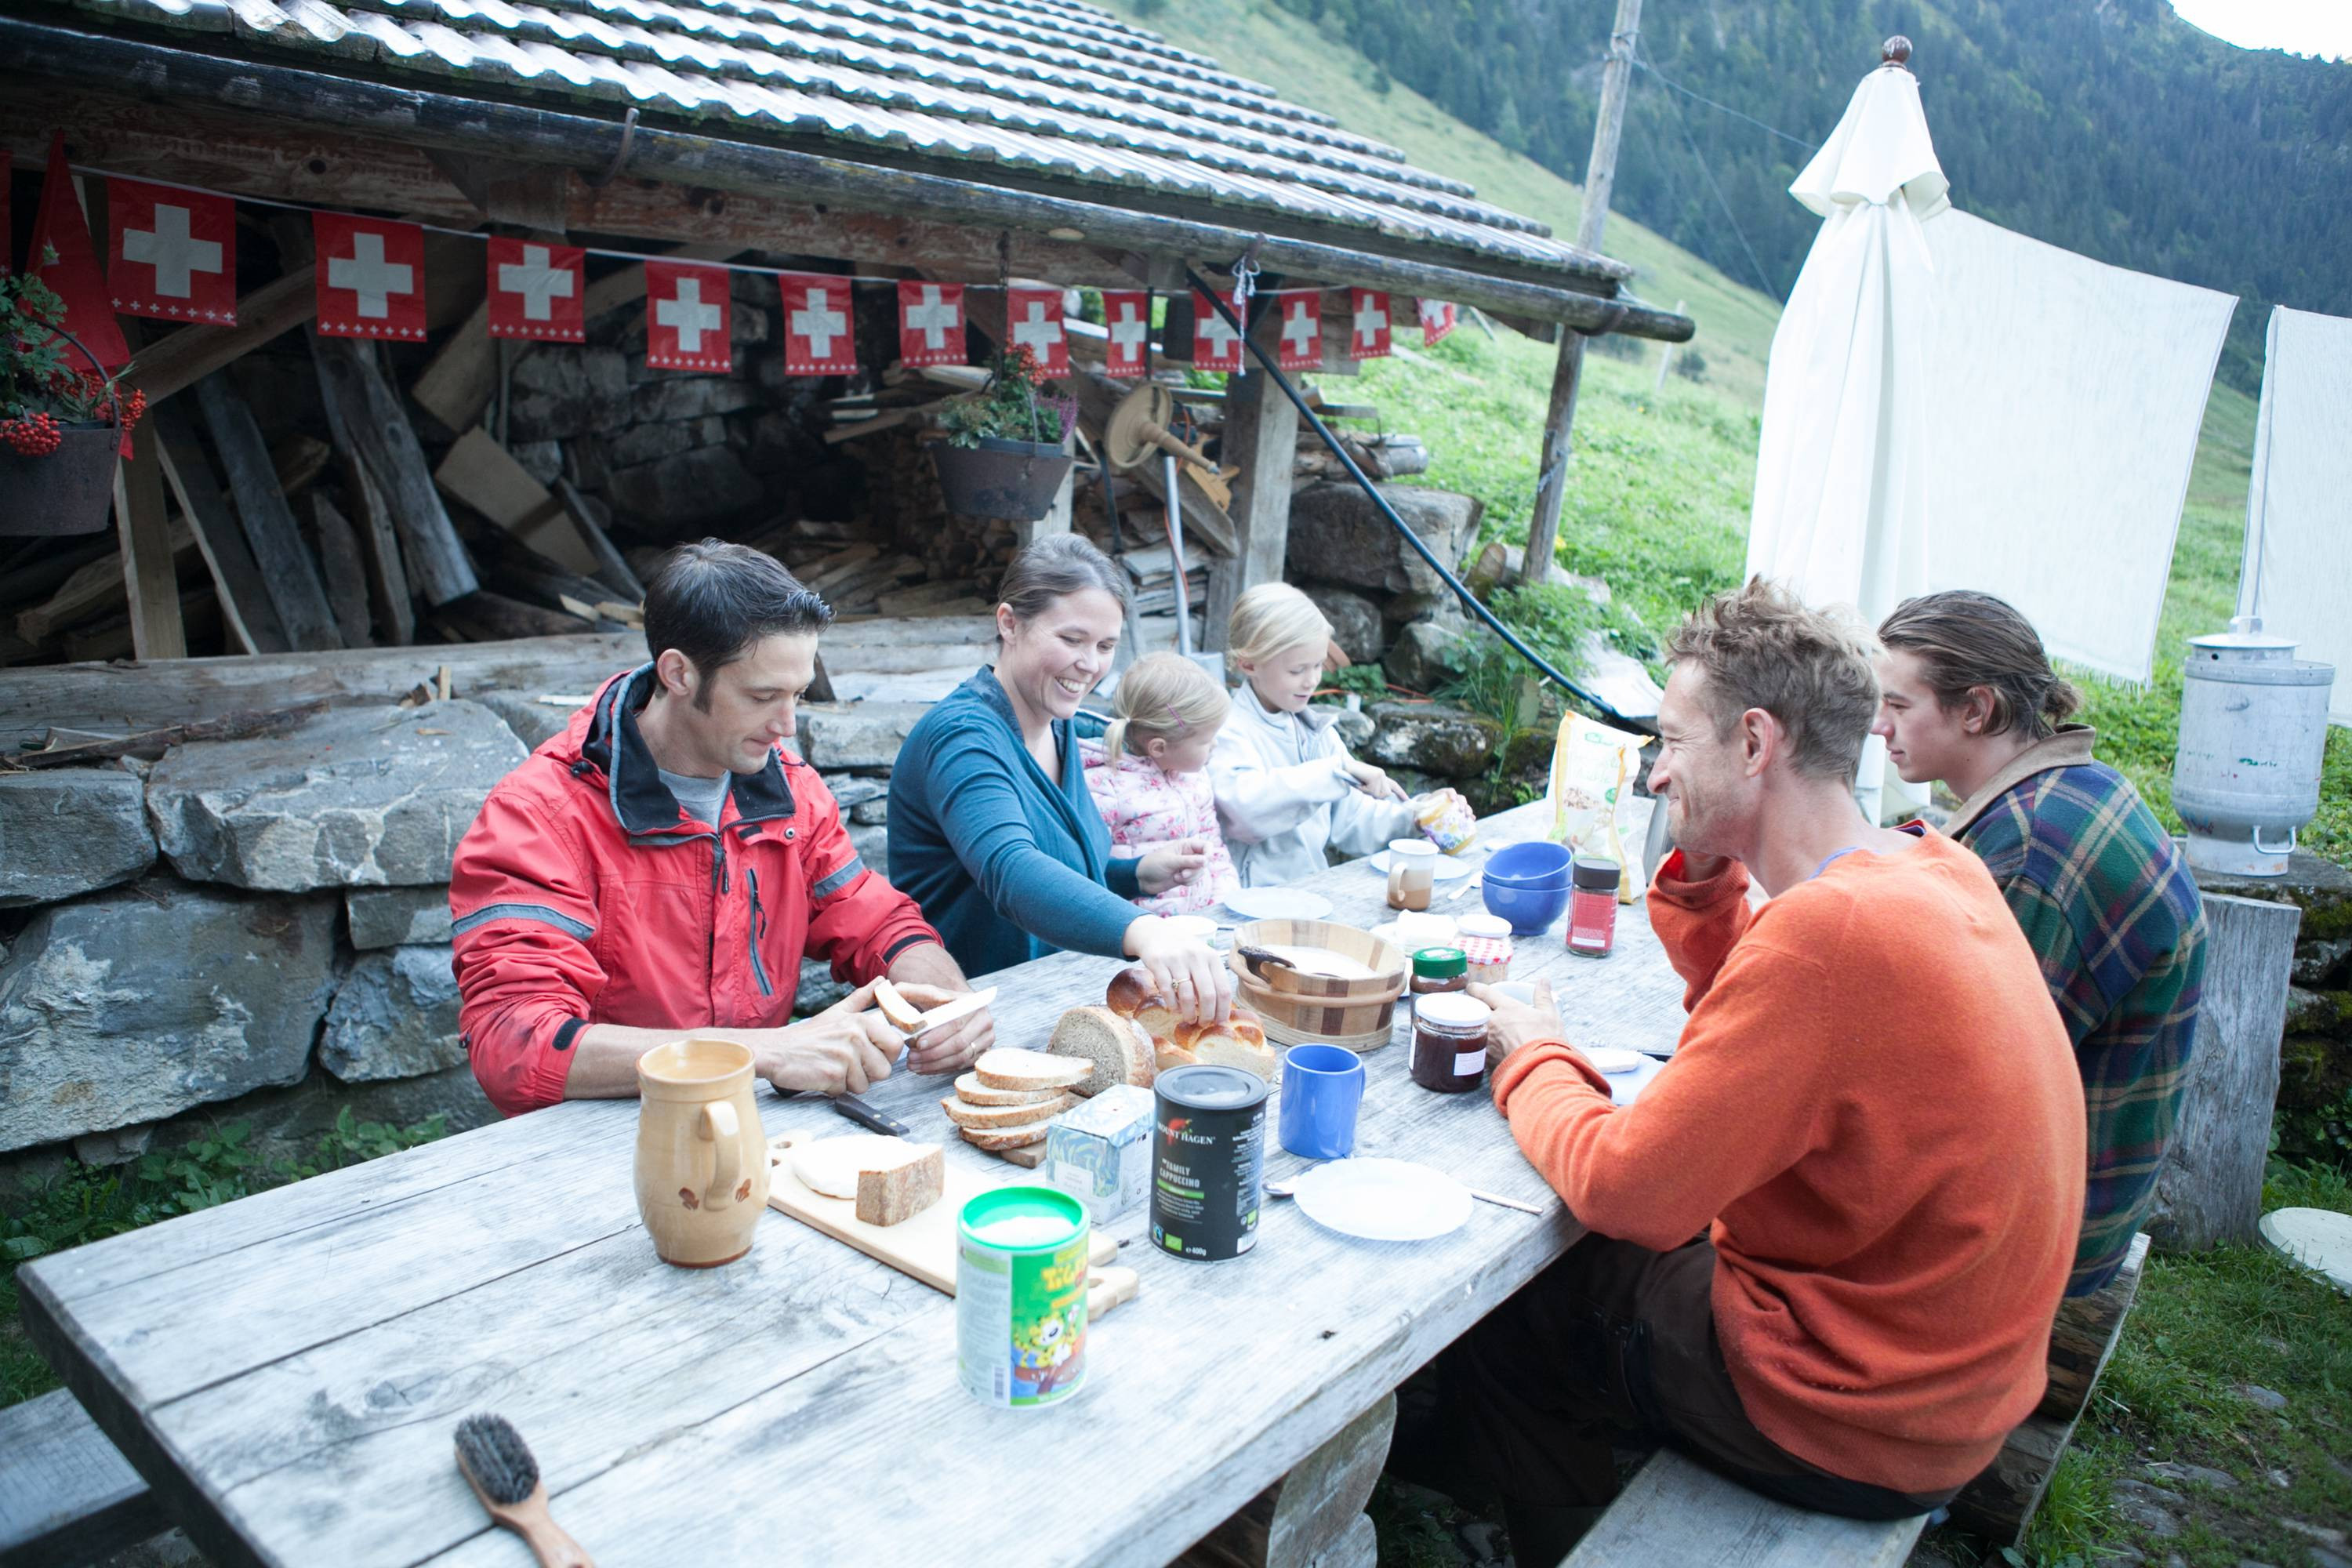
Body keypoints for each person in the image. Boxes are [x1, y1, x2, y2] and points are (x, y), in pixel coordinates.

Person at [1405, 579, 2085, 1563]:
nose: (1652, 775)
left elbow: (1627, 1188)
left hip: (1862, 1414)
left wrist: (1531, 1051)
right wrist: (1710, 870)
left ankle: (1548, 1530)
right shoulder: (1929, 865)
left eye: (1672, 742)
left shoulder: (1832, 934)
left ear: (1755, 743)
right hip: (1947, 1378)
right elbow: (1786, 1027)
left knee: (1530, 1299)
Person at [448, 541, 994, 1119]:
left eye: (798, 694)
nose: (787, 725)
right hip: (605, 1141)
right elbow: (514, 1042)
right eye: (763, 696)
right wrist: (764, 1052)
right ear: (679, 673)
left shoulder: (792, 792)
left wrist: (946, 1001)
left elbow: (878, 923)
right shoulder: (536, 815)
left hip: (757, 1128)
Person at [1876, 589, 2205, 1296]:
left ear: (1976, 709)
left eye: (1899, 706)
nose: (1879, 725)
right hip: (2069, 1197)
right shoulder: (2073, 784)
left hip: (2042, 1242)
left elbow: (1964, 1094)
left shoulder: (2030, 860)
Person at [887, 535, 1232, 1022]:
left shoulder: (1062, 727)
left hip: (1046, 1004)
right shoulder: (963, 737)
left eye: (1105, 646)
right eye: (1071, 640)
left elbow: (1064, 865)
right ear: (1009, 623)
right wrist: (1146, 930)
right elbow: (1011, 869)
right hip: (964, 1020)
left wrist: (1132, 875)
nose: (1090, 664)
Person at [1209, 583, 1466, 887]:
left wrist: (1418, 815)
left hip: (1308, 893)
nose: (1312, 680)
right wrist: (1336, 773)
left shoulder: (1316, 733)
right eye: (1297, 670)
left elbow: (1355, 819)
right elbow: (1244, 812)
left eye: (1318, 665)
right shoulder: (1226, 732)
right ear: (1249, 664)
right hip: (1246, 906)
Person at [1082, 651, 1243, 916]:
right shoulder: (1103, 787)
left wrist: (1224, 900)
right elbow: (1090, 871)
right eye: (1206, 740)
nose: (1215, 745)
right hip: (1137, 938)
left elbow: (1212, 845)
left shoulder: (1195, 778)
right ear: (1159, 747)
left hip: (1199, 923)